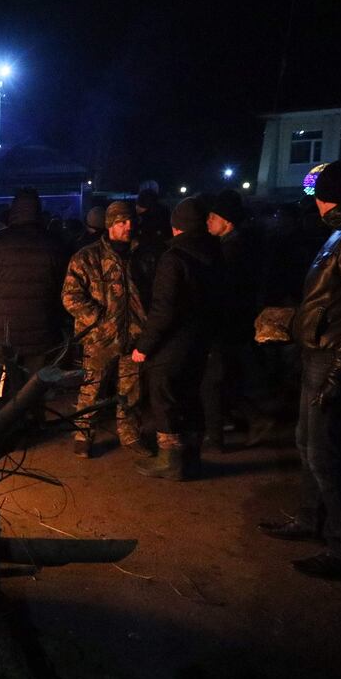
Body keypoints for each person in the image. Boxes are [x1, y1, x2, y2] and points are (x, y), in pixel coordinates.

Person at [258, 159, 341, 579]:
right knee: (307, 442)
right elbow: (332, 301)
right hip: (318, 354)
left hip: (333, 360)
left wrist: (340, 373)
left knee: (327, 454)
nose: (313, 201)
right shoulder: (340, 233)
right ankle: (309, 519)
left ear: (330, 197)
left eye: (318, 193)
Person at [131, 196, 224, 479]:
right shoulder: (215, 253)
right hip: (201, 340)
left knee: (165, 398)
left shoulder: (173, 258)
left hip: (173, 344)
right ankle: (191, 457)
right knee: (191, 396)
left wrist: (144, 346)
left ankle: (170, 461)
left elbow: (164, 309)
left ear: (176, 227)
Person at [62, 201, 153, 457]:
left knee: (131, 390)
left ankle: (130, 434)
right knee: (92, 388)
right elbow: (70, 296)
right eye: (122, 222)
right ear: (110, 224)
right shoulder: (87, 257)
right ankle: (84, 434)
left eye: (130, 221)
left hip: (135, 335)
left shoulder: (142, 256)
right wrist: (100, 320)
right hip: (99, 339)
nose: (128, 226)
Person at [0, 189, 69, 403]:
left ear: (14, 212)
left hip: (1, 330)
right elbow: (63, 288)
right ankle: (32, 427)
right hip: (41, 328)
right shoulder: (53, 243)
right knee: (34, 386)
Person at [201, 190, 264, 449]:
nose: (208, 221)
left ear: (227, 221)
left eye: (213, 217)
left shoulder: (232, 250)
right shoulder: (234, 245)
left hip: (227, 325)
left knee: (212, 381)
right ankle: (245, 418)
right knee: (225, 377)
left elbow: (227, 292)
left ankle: (217, 437)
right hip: (234, 324)